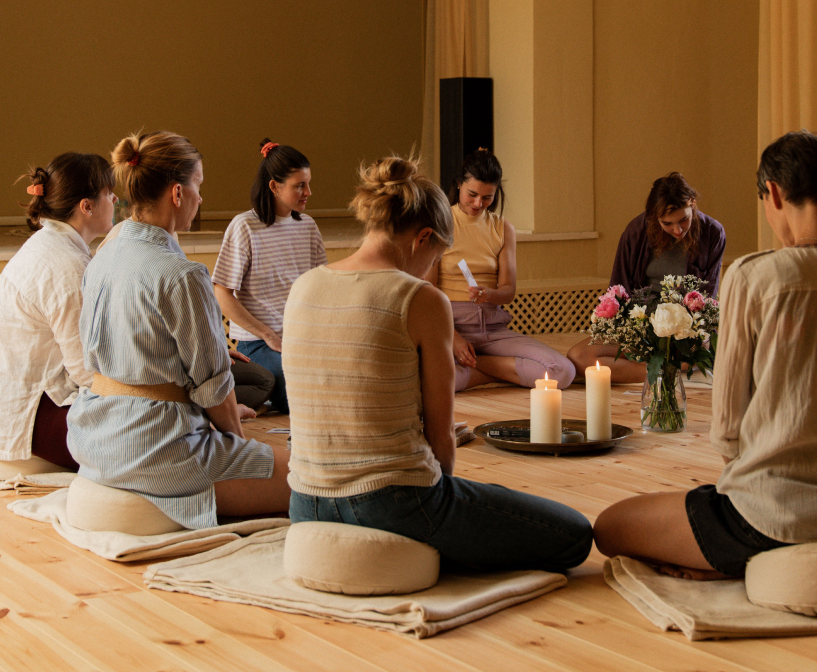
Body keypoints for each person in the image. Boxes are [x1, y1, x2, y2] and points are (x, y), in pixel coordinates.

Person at [593, 130, 817, 579]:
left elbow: (729, 432)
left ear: (774, 193)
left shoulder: (754, 276)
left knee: (611, 527)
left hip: (770, 522)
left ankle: (739, 560)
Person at [283, 154, 592, 572]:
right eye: (434, 258)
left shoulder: (304, 286)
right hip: (393, 502)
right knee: (573, 534)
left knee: (488, 503)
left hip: (304, 502)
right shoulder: (421, 299)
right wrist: (447, 503)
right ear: (423, 238)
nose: (429, 267)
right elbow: (441, 438)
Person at [67, 131, 289, 528]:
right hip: (158, 450)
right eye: (198, 186)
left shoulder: (103, 255)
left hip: (93, 438)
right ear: (177, 193)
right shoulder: (183, 274)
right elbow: (213, 386)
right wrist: (237, 443)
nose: (200, 198)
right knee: (313, 477)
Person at [0, 153, 115, 474]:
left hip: (4, 423)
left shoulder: (50, 246)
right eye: (109, 193)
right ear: (87, 206)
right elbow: (87, 371)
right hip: (26, 428)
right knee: (158, 428)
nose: (116, 200)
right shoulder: (66, 264)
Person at [97, 218, 274, 418]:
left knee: (263, 381)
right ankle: (212, 412)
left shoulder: (163, 239)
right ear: (177, 198)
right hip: (153, 377)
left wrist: (217, 350)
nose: (199, 202)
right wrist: (231, 422)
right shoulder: (182, 272)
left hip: (171, 358)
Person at [431, 149, 574, 392]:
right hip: (451, 326)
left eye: (487, 197)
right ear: (459, 185)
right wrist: (453, 338)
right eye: (472, 195)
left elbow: (508, 291)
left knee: (563, 371)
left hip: (493, 328)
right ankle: (501, 372)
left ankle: (480, 368)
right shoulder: (440, 223)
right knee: (433, 382)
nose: (478, 203)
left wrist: (490, 294)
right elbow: (427, 291)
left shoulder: (502, 227)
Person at [567, 172, 726, 384]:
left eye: (684, 220)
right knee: (578, 357)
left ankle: (655, 367)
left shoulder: (712, 232)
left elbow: (706, 299)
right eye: (667, 223)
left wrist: (688, 334)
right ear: (654, 217)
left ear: (693, 203)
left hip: (682, 333)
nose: (677, 229)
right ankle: (661, 372)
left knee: (702, 347)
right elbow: (619, 289)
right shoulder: (636, 231)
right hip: (639, 330)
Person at [212, 140, 326, 414]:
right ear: (274, 186)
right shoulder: (245, 226)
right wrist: (269, 335)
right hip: (257, 344)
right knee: (299, 391)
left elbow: (321, 287)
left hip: (300, 339)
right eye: (299, 185)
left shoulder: (308, 227)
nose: (308, 192)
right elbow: (222, 293)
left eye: (308, 184)